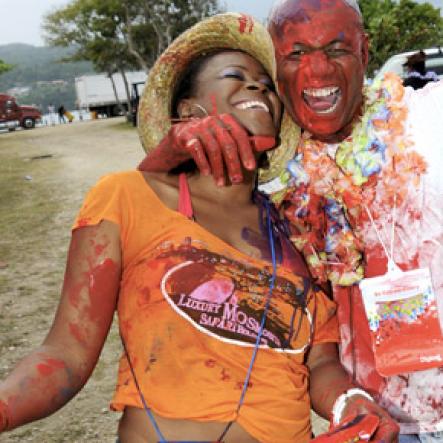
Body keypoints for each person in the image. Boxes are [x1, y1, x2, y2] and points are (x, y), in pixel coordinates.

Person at [0, 13, 397, 443]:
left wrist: (349, 402)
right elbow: (66, 356)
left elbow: (320, 363)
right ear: (188, 112)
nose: (258, 86)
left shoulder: (298, 232)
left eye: (266, 84)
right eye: (235, 76)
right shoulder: (128, 197)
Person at [139, 1, 443, 442]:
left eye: (336, 49)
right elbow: (149, 204)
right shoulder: (267, 164)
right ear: (277, 68)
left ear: (364, 51)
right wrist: (173, 147)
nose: (317, 72)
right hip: (372, 421)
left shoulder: (426, 119)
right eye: (297, 54)